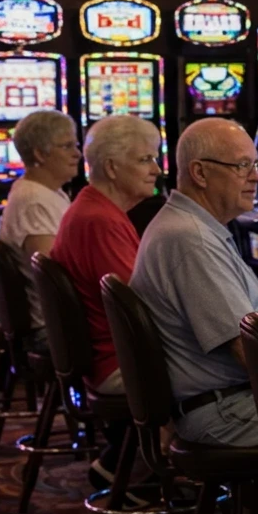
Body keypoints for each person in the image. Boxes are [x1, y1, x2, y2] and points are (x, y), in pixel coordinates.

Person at [130, 118, 258, 447]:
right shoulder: (190, 240)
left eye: (256, 165)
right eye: (242, 166)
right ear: (199, 173)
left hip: (229, 399)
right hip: (225, 410)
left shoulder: (193, 227)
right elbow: (250, 351)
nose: (256, 176)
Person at [51, 115, 162, 395]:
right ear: (112, 168)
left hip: (119, 356)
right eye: (145, 160)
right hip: (122, 363)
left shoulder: (95, 209)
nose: (157, 170)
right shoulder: (99, 221)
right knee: (238, 371)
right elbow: (142, 306)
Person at [0, 110, 82, 341]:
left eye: (75, 145)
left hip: (61, 318)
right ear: (39, 154)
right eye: (67, 146)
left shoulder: (48, 192)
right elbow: (53, 276)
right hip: (53, 326)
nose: (77, 153)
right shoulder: (33, 201)